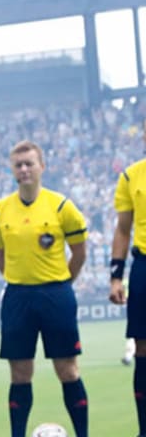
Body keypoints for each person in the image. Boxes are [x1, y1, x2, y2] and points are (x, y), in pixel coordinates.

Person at [0, 140, 89, 437]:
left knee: (67, 370)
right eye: (19, 165)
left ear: (42, 166)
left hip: (56, 294)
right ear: (12, 170)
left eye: (30, 163)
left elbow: (79, 252)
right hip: (18, 297)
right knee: (19, 374)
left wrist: (63, 282)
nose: (24, 169)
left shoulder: (61, 206)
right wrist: (17, 277)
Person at [110, 139, 146, 436]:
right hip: (144, 266)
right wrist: (116, 276)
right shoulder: (131, 175)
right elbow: (123, 229)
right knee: (143, 349)